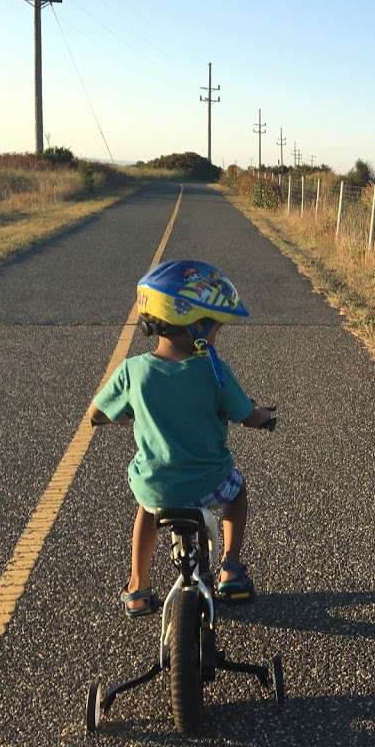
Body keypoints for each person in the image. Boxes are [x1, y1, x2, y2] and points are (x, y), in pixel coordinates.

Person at [87, 259, 275, 617]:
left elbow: (96, 414)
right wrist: (264, 416)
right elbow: (245, 414)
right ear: (195, 327)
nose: (217, 334)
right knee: (238, 491)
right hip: (210, 483)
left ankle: (137, 586)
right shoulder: (213, 370)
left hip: (157, 487)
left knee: (145, 509)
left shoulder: (133, 371)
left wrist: (118, 417)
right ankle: (230, 568)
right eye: (215, 326)